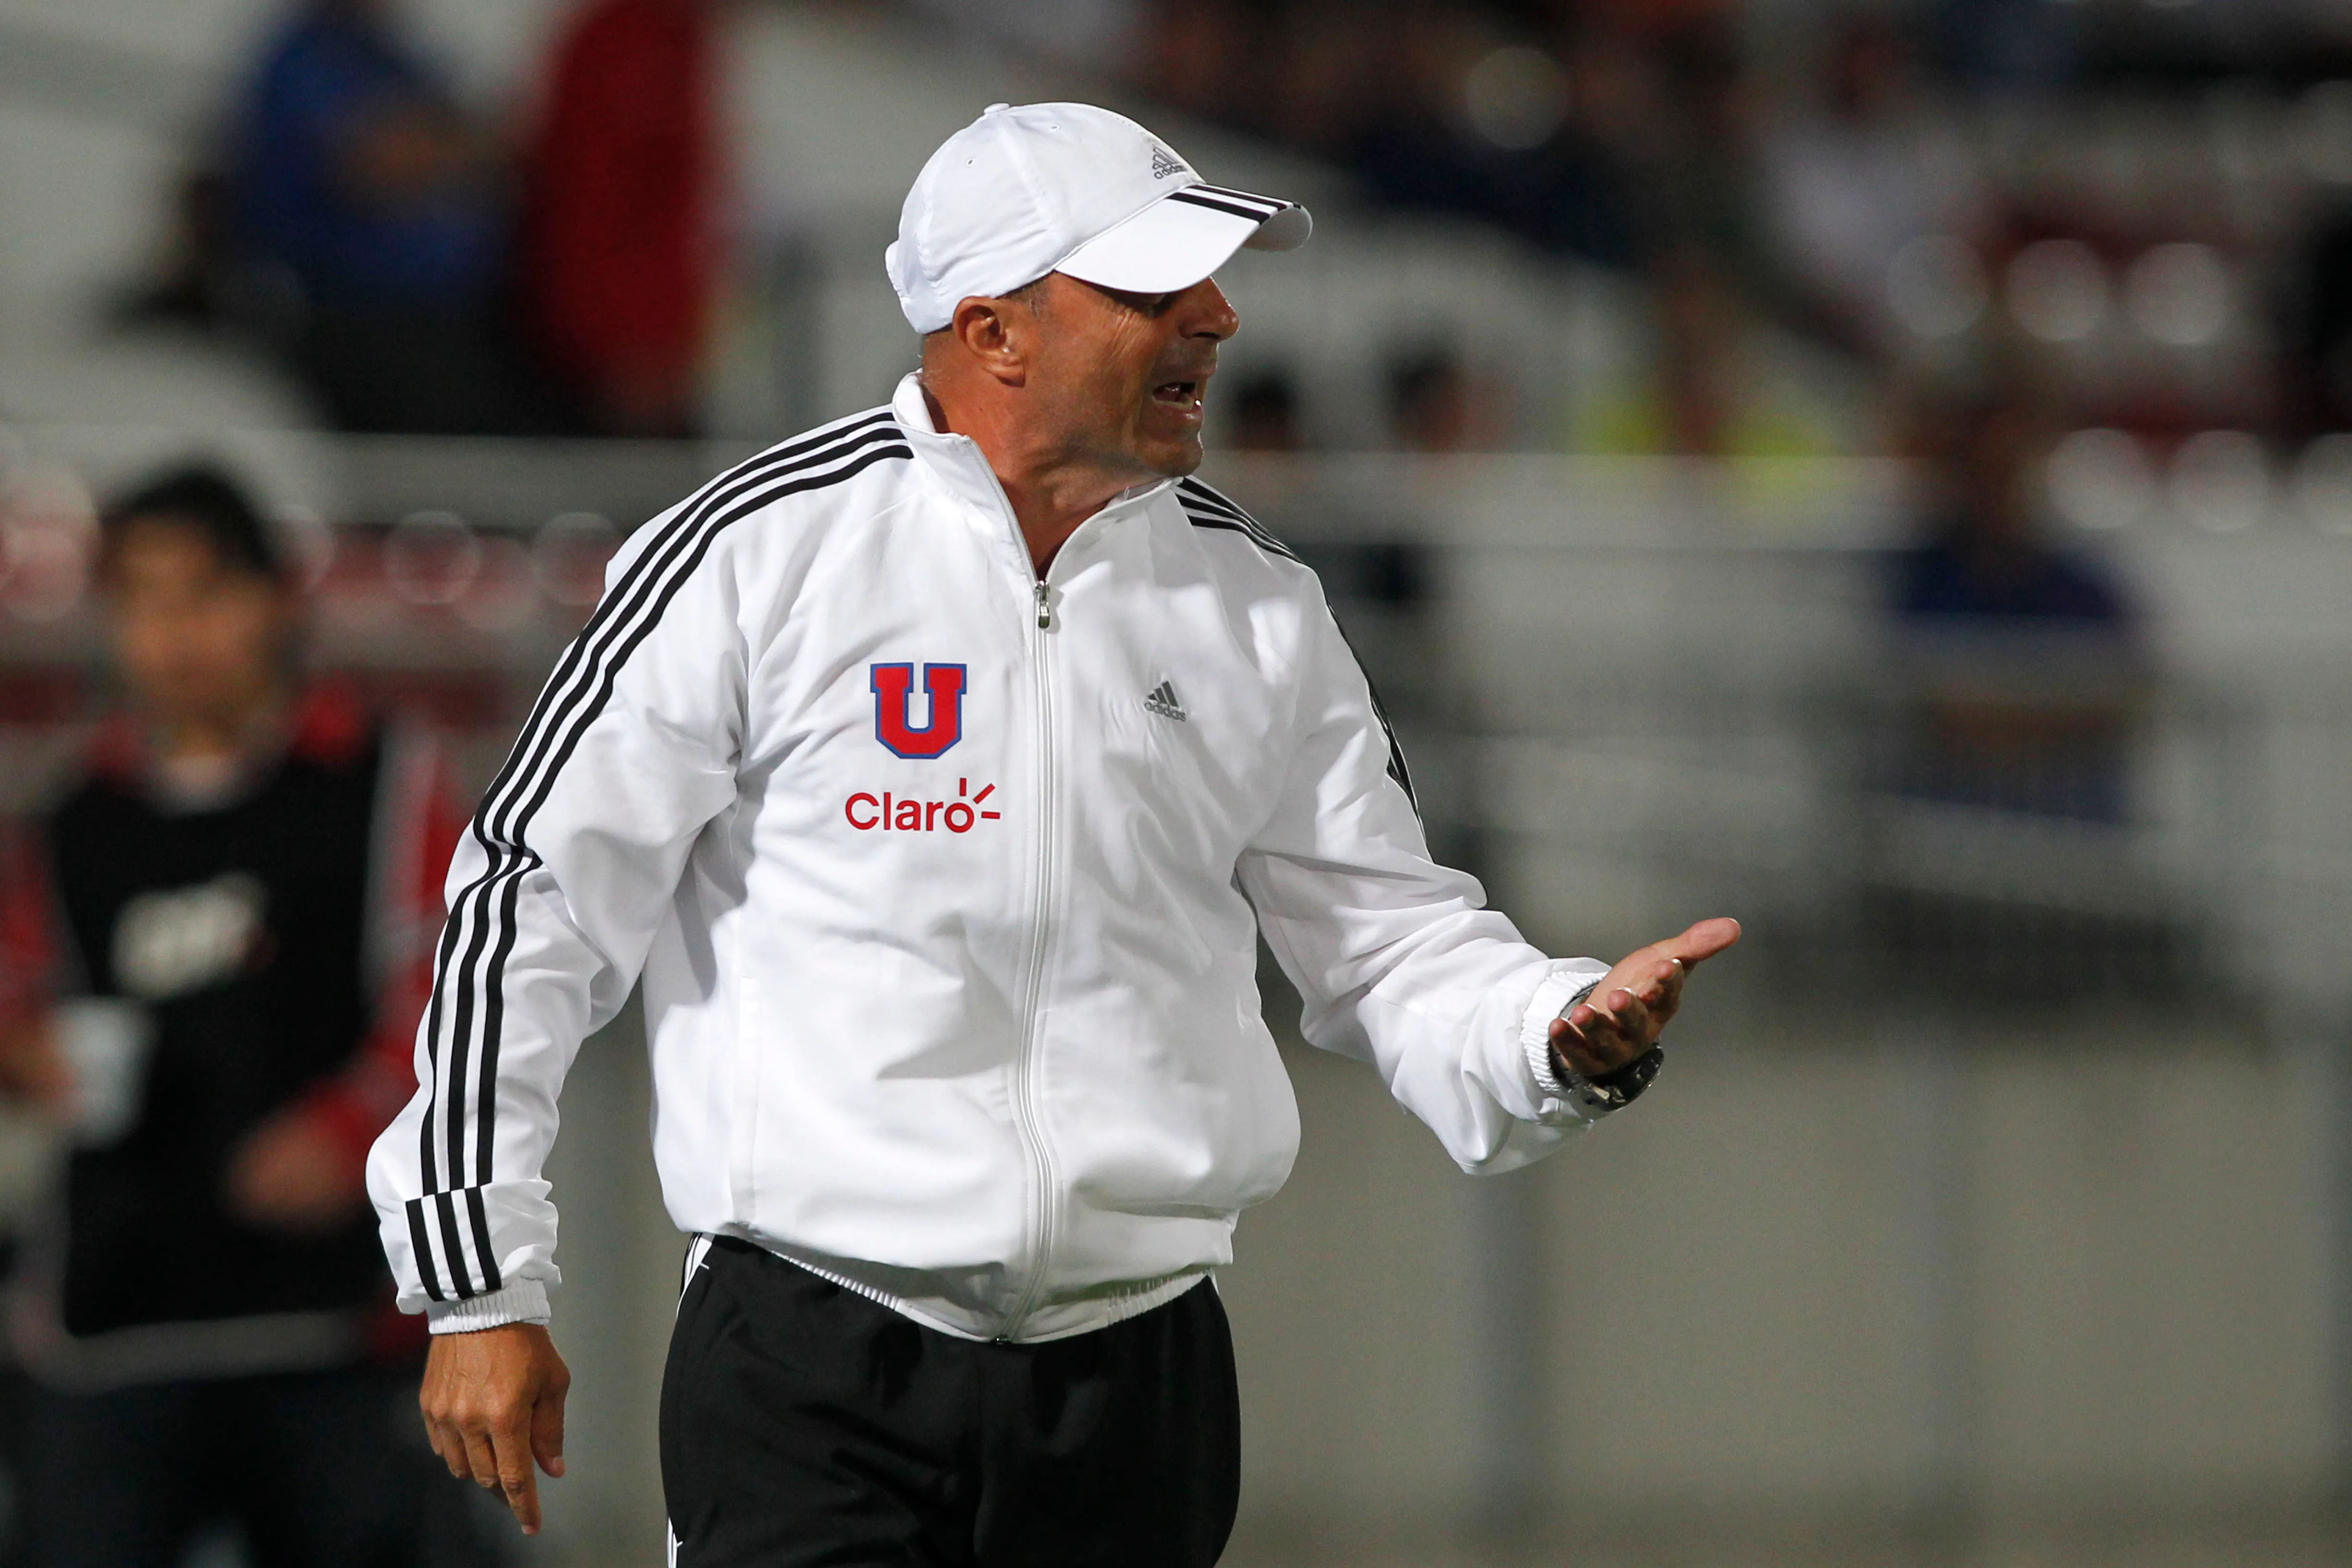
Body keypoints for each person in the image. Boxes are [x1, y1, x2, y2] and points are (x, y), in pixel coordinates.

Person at [372, 103, 1740, 1564]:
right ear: (993, 330)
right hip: (812, 1354)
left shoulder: (1259, 603)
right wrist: (480, 1282)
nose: (1216, 318)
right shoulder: (749, 554)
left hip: (1138, 1375)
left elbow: (1391, 939)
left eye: (1207, 284)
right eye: (1154, 288)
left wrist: (1549, 1025)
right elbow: (528, 907)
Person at [0, 467, 471, 1567]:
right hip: (111, 1332)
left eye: (202, 593)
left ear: (276, 600)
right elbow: (18, 999)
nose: (173, 634)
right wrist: (28, 1055)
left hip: (333, 1329)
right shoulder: (77, 815)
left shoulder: (382, 779)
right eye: (141, 601)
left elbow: (464, 1004)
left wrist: (348, 1130)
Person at [233, 0, 544, 434]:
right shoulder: (306, 58)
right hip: (357, 329)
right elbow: (373, 163)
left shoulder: (396, 58)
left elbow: (496, 150)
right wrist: (443, 145)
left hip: (455, 326)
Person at [516, 0, 719, 437]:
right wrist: (628, 340)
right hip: (617, 350)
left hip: (662, 335)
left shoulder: (685, 40)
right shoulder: (623, 45)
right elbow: (590, 208)